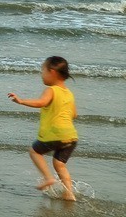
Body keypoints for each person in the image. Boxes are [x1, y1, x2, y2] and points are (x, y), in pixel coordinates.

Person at [8, 56, 79, 201]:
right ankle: (69, 193)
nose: (41, 74)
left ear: (52, 72)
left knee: (34, 151)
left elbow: (41, 102)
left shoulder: (51, 90)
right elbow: (74, 114)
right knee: (59, 164)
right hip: (71, 136)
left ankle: (48, 178)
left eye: (43, 70)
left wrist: (21, 101)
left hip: (54, 134)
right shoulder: (69, 93)